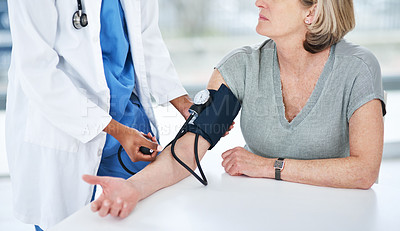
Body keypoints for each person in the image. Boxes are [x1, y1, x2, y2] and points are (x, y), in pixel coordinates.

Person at [83, 0, 386, 219]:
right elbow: (187, 151)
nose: (258, 2)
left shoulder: (356, 68)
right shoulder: (241, 67)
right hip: (265, 214)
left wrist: (267, 166)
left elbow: (364, 171)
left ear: (313, 9)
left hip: (341, 216)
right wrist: (132, 189)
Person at [5, 0, 193, 229]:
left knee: (146, 212)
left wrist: (183, 103)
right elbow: (36, 68)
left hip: (127, 116)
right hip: (64, 121)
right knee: (64, 224)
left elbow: (147, 37)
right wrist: (117, 130)